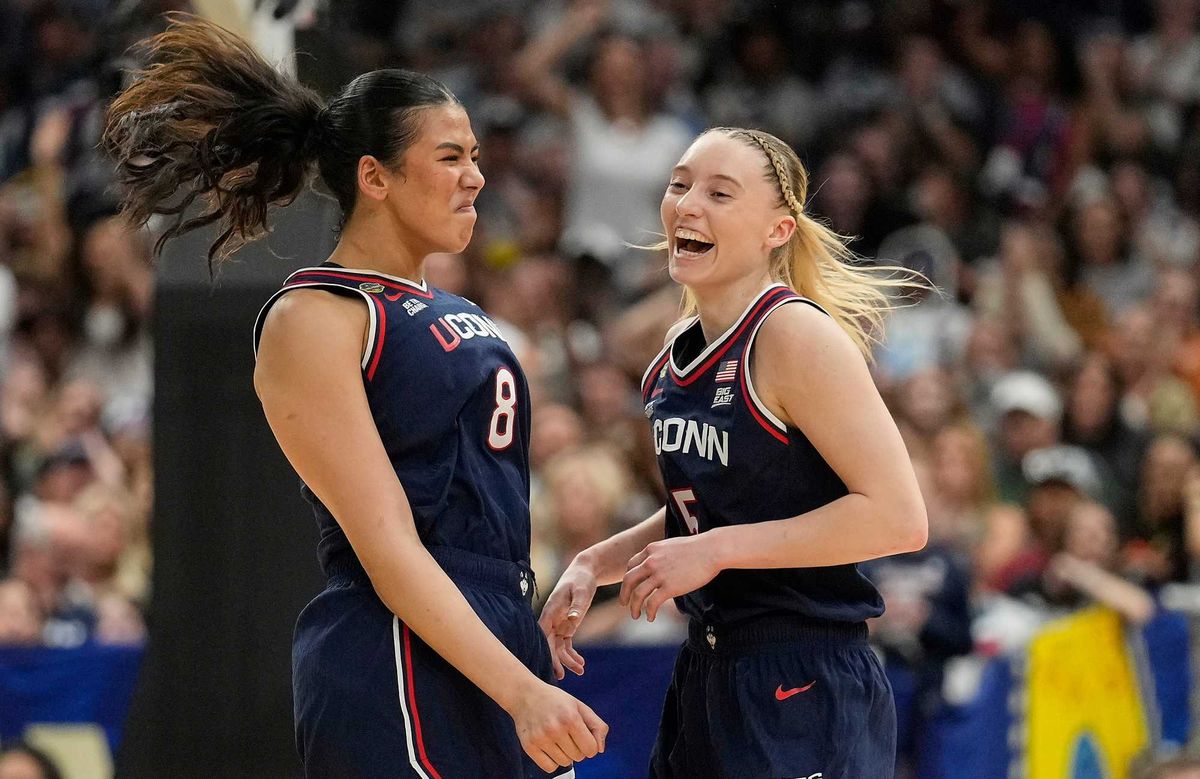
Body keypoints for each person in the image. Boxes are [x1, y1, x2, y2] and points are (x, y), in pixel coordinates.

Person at [103, 15, 605, 778]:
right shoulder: (317, 316)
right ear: (375, 177)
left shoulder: (454, 306)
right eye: (449, 156)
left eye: (473, 156)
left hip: (496, 624)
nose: (475, 175)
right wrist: (521, 691)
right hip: (398, 647)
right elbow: (389, 548)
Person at [540, 127, 928, 778]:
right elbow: (704, 515)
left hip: (804, 673)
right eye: (680, 184)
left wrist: (717, 551)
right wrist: (594, 561)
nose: (689, 204)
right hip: (709, 670)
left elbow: (898, 516)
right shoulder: (674, 350)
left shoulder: (793, 334)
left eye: (720, 193)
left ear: (777, 230)